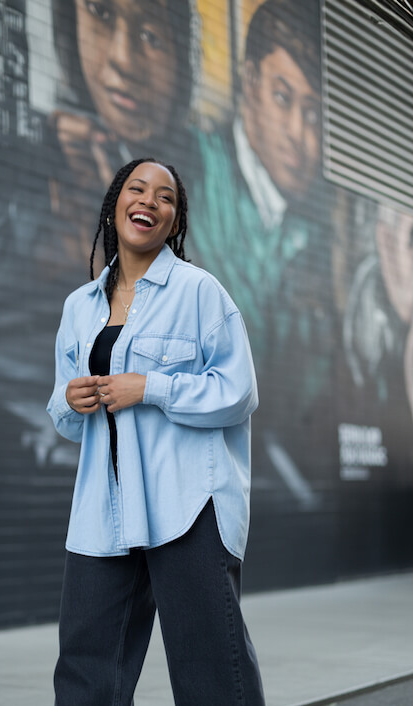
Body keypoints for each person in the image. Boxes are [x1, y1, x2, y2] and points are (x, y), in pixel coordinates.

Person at [0, 158, 286, 706]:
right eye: (136, 190)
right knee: (87, 654)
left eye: (165, 197)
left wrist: (149, 387)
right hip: (106, 503)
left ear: (176, 221)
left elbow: (237, 393)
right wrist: (69, 400)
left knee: (207, 650)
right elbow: (67, 416)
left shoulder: (199, 293)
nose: (148, 202)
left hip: (189, 498)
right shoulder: (79, 307)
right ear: (114, 205)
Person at [188, 0, 336, 512]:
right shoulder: (190, 173)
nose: (300, 133)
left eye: (314, 112)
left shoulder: (315, 235)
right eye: (282, 97)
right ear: (248, 83)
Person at [42, 0, 199, 273]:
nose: (123, 59)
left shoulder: (205, 176)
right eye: (100, 13)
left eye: (151, 36)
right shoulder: (52, 151)